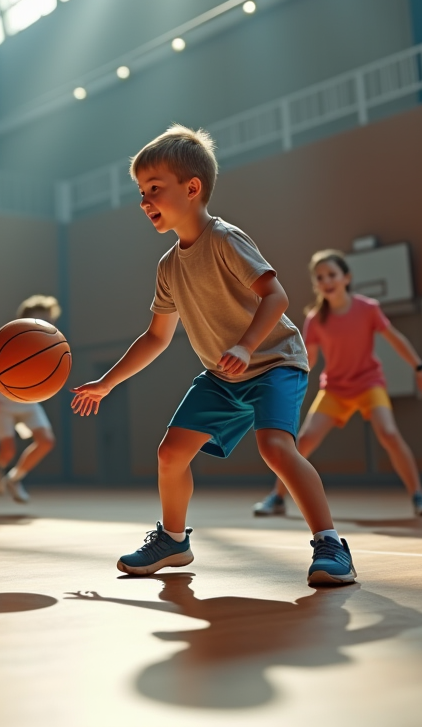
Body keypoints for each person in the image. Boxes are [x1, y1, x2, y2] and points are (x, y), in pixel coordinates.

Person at [71, 125, 356, 586]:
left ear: (192, 188)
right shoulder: (168, 266)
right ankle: (173, 540)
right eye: (141, 192)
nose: (145, 201)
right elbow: (156, 337)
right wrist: (107, 382)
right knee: (169, 454)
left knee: (276, 448)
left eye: (154, 189)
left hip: (275, 362)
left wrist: (246, 345)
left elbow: (277, 296)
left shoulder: (225, 240)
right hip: (223, 375)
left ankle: (330, 544)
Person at [253, 250, 422, 518]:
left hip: (369, 384)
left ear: (346, 278)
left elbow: (394, 338)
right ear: (315, 285)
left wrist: (419, 368)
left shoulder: (368, 308)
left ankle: (419, 495)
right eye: (320, 277)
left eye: (332, 275)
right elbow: (309, 359)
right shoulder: (316, 319)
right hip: (335, 390)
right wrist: (280, 383)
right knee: (302, 441)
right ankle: (277, 497)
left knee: (388, 433)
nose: (326, 281)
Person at [0, 295, 61, 504]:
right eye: (43, 318)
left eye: (50, 319)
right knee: (7, 451)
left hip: (29, 402)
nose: (49, 323)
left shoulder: (51, 343)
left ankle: (14, 479)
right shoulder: (2, 338)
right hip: (3, 403)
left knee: (46, 441)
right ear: (27, 318)